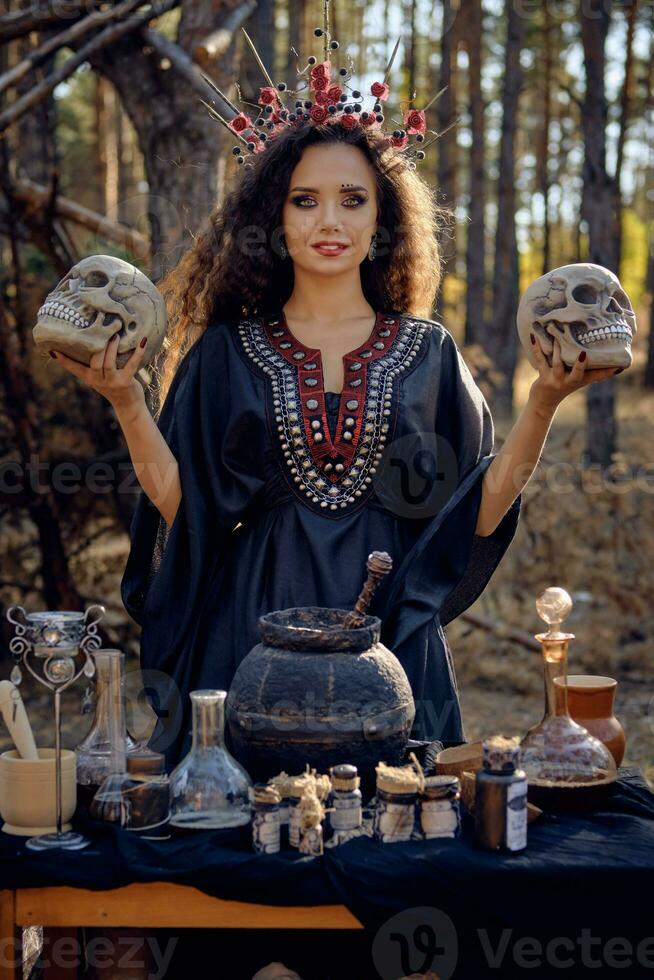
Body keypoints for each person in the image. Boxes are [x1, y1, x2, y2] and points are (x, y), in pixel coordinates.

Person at [49, 115, 622, 980]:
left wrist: (542, 401)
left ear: (382, 221)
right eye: (304, 199)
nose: (329, 218)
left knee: (401, 860)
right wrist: (128, 400)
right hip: (249, 637)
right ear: (273, 220)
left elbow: (477, 507)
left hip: (389, 638)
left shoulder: (429, 354)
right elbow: (184, 507)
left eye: (353, 199)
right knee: (241, 860)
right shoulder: (225, 353)